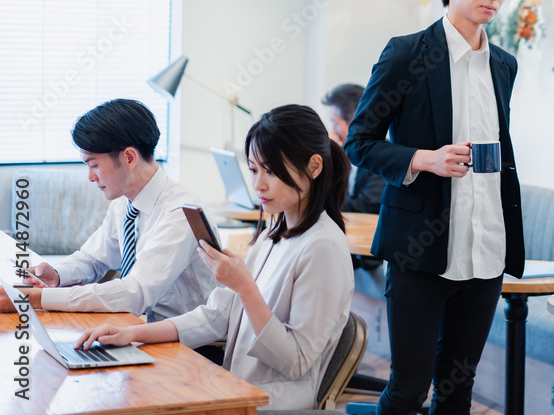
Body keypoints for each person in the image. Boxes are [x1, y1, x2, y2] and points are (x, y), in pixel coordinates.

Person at [344, 0, 525, 415]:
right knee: (408, 388)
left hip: (485, 250)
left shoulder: (504, 65)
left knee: (456, 391)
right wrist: (424, 158)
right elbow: (358, 142)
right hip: (420, 249)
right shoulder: (407, 54)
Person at [78, 104, 355, 411]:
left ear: (314, 167)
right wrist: (132, 333)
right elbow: (217, 315)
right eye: (253, 170)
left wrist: (245, 287)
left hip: (271, 402)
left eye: (271, 171)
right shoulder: (274, 232)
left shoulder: (323, 247)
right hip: (236, 385)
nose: (258, 185)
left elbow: (296, 362)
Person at [2, 99, 215, 321]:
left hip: (189, 344)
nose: (91, 177)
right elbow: (94, 258)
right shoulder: (124, 203)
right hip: (143, 328)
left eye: (94, 165)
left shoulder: (179, 212)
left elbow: (137, 292)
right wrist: (57, 274)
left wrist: (37, 298)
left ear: (129, 158)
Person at [322, 83, 385, 214]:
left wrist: (320, 202)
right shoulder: (343, 153)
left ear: (354, 119)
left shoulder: (381, 154)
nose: (333, 130)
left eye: (335, 122)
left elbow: (367, 205)